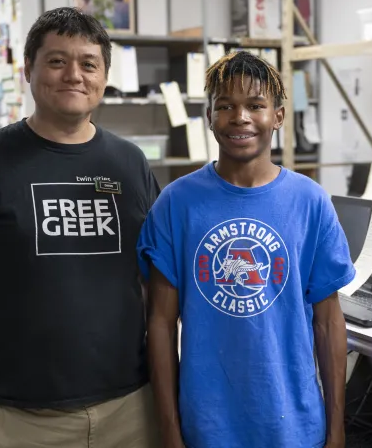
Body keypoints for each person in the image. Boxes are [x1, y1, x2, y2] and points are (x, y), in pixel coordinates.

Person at [0, 7, 161, 448]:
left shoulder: (131, 164)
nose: (74, 74)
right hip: (21, 420)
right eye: (57, 61)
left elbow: (153, 287)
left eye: (88, 63)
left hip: (133, 409)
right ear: (28, 70)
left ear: (104, 75)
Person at [138, 51, 355, 448]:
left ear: (278, 116)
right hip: (206, 428)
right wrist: (169, 429)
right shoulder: (175, 203)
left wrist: (336, 429)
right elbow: (160, 324)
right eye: (225, 106)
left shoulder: (311, 202)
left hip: (295, 426)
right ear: (209, 117)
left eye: (255, 105)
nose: (240, 117)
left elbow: (328, 324)